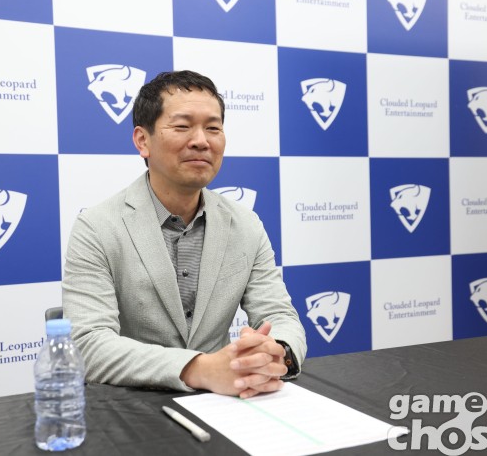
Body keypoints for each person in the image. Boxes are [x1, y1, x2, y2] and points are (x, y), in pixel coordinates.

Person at [62, 70, 306, 399]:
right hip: (133, 408)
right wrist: (199, 368)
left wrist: (275, 353)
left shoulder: (246, 223)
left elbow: (279, 315)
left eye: (213, 128)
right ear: (142, 141)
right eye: (182, 126)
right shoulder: (97, 226)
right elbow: (87, 344)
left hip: (225, 404)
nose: (201, 141)